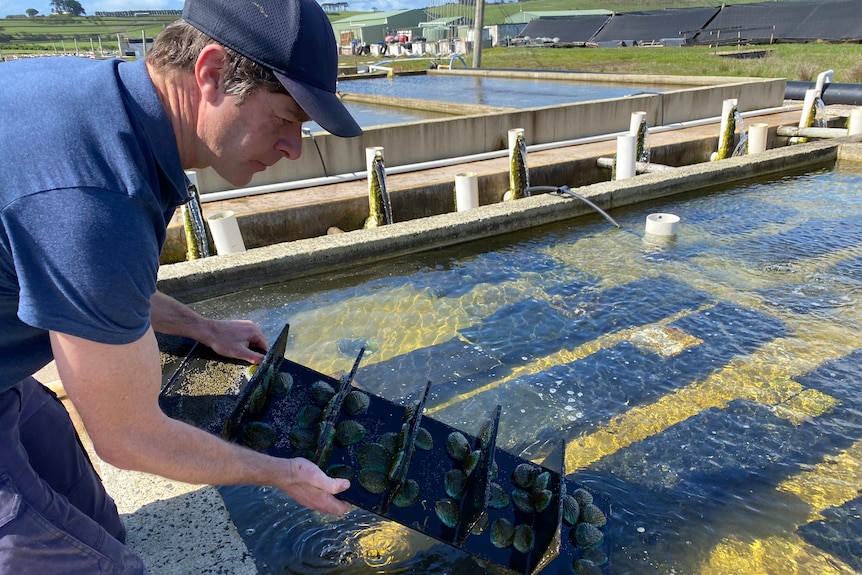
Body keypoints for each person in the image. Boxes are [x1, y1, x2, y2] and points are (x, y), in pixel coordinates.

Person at [0, 0, 362, 572]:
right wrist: (280, 471)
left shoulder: (107, 106)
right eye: (286, 118)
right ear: (211, 73)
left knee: (99, 519)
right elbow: (127, 437)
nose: (294, 147)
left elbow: (85, 276)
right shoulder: (97, 195)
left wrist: (200, 328)